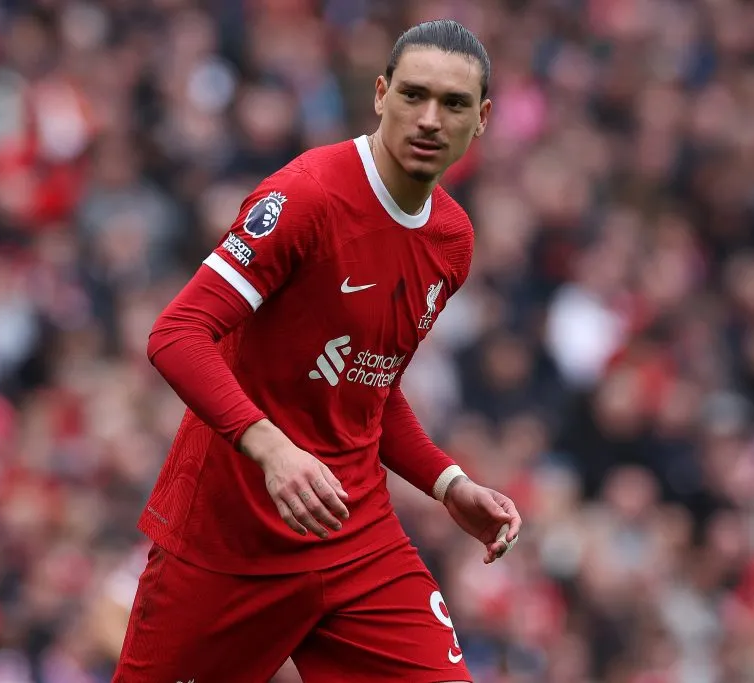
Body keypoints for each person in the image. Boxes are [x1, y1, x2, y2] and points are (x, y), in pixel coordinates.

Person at [113, 19, 522, 683]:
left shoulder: (452, 240)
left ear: (481, 119)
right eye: (413, 95)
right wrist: (274, 450)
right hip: (228, 541)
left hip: (353, 536)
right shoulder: (307, 195)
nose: (429, 119)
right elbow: (177, 332)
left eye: (453, 103)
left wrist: (448, 484)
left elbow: (368, 388)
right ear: (381, 95)